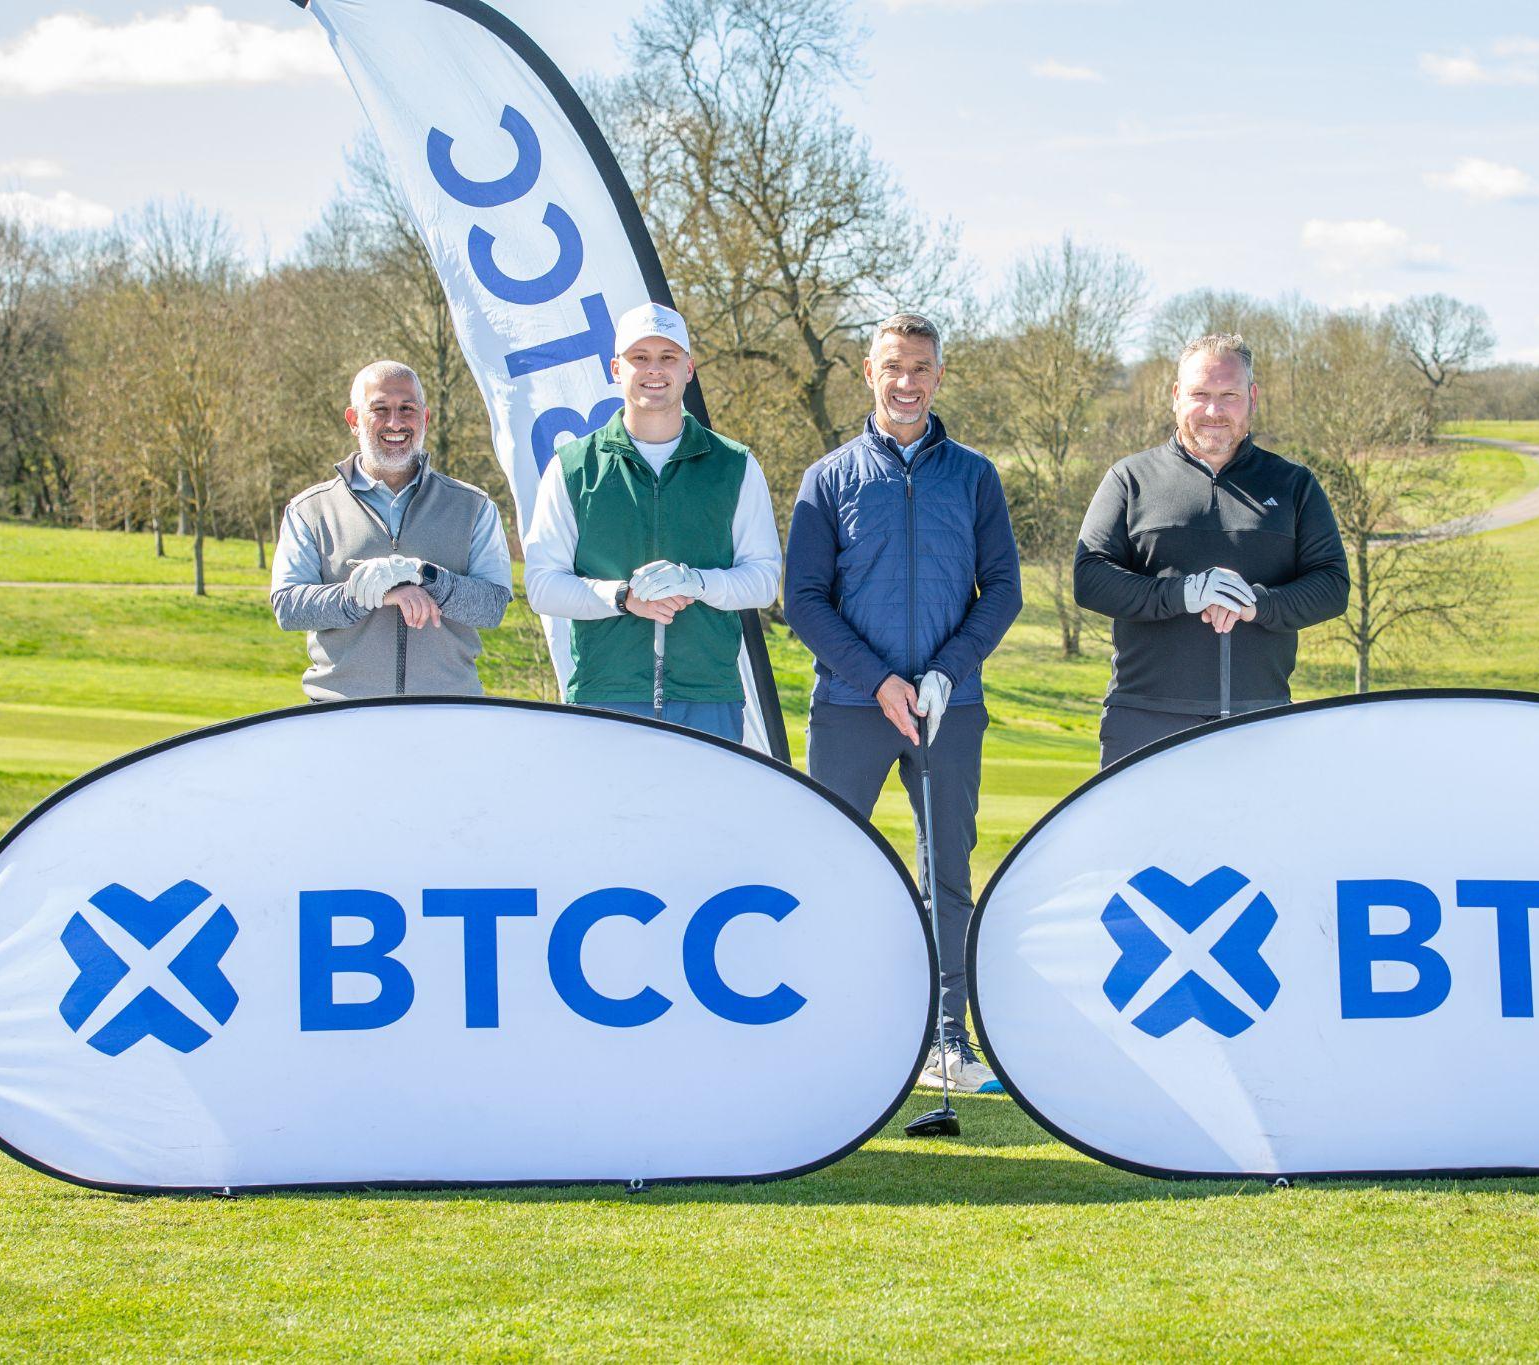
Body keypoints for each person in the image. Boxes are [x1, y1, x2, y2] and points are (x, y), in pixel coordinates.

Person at [784, 312, 1022, 1095]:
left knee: (946, 876)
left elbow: (1004, 591)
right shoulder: (828, 478)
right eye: (894, 367)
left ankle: (949, 1040)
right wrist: (879, 680)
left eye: (921, 367)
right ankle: (831, 1030)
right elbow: (805, 602)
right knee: (835, 869)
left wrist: (947, 672)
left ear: (940, 375)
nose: (907, 382)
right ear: (869, 372)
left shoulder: (975, 476)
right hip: (851, 708)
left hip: (950, 707)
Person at [1074, 333, 1350, 767]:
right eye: (1200, 394)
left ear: (1252, 398)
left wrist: (1254, 603)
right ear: (1176, 396)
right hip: (1144, 721)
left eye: (1229, 395)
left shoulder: (1294, 485)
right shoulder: (1130, 478)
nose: (1213, 411)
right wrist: (1183, 594)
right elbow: (1090, 577)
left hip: (1259, 721)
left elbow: (1332, 585)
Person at [523, 302, 781, 742]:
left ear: (689, 368)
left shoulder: (734, 464)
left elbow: (763, 580)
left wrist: (696, 582)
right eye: (639, 358)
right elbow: (542, 585)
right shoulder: (572, 466)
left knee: (704, 814)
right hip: (606, 691)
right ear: (615, 368)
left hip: (707, 695)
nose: (654, 370)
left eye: (668, 357)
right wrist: (623, 597)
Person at [271, 360, 513, 701]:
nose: (395, 422)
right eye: (380, 409)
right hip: (340, 713)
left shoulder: (473, 506)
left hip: (449, 710)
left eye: (407, 409)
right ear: (354, 420)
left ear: (425, 418)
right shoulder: (310, 509)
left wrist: (423, 575)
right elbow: (289, 606)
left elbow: (492, 607)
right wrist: (371, 592)